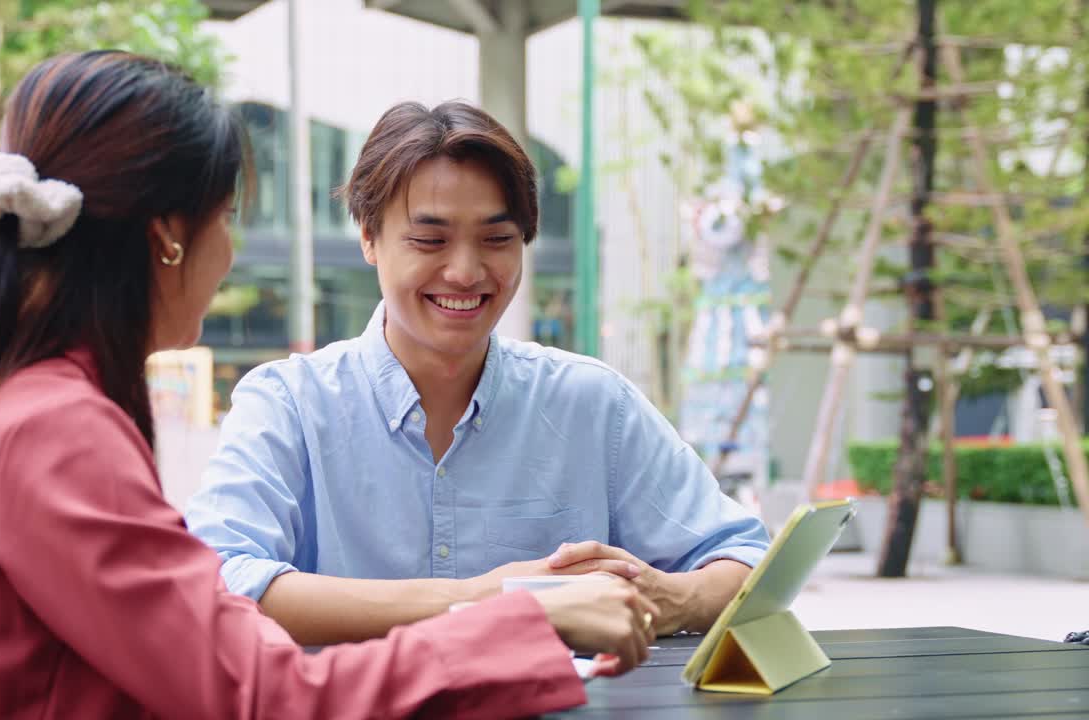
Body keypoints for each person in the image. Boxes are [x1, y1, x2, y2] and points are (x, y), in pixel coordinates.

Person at [0, 52, 659, 719]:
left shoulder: (28, 400)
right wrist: (519, 615)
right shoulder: (56, 428)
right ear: (167, 240)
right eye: (225, 219)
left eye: (497, 239)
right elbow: (260, 691)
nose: (465, 272)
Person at [185, 100, 771, 647]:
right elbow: (221, 580)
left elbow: (745, 556)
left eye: (497, 239)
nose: (466, 272)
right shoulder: (287, 404)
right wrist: (480, 602)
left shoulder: (591, 403)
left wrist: (670, 597)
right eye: (429, 239)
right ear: (368, 236)